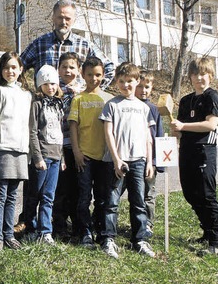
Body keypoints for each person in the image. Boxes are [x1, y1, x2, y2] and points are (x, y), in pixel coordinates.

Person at [99, 62, 156, 259]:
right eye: (121, 81)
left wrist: (149, 162)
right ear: (116, 82)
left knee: (138, 201)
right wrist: (116, 160)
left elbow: (148, 137)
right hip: (117, 161)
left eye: (130, 81)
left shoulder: (143, 108)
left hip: (139, 161)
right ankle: (108, 238)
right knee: (112, 201)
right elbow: (108, 134)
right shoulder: (112, 105)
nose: (125, 85)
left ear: (137, 81)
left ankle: (139, 239)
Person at [170, 57, 218, 257]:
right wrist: (176, 130)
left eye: (203, 74)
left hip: (204, 150)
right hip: (186, 150)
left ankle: (217, 238)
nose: (199, 78)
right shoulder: (185, 100)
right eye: (195, 74)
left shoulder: (212, 97)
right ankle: (207, 230)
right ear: (190, 77)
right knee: (189, 192)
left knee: (206, 193)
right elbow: (181, 130)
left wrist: (183, 126)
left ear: (210, 76)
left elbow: (210, 125)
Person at [0, 51, 32, 253]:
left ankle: (8, 234)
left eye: (14, 67)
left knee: (13, 196)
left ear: (21, 69)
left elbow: (27, 125)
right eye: (6, 67)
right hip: (1, 150)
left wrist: (28, 151)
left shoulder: (26, 95)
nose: (10, 71)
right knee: (0, 196)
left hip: (20, 151)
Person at [68, 57, 113, 249]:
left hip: (105, 157)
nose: (93, 78)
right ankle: (85, 232)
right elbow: (73, 127)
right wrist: (77, 152)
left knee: (103, 197)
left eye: (97, 75)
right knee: (84, 196)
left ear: (103, 76)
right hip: (84, 157)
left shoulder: (109, 99)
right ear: (82, 75)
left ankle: (102, 232)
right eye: (89, 74)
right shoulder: (78, 99)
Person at [20, 0, 114, 89]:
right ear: (53, 17)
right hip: (47, 102)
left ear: (74, 19)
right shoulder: (39, 44)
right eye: (60, 17)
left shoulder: (85, 45)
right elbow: (18, 66)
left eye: (67, 18)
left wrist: (96, 89)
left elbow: (109, 67)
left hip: (77, 102)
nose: (63, 22)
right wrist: (24, 91)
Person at [24, 65, 65, 245]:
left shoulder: (58, 105)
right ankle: (31, 227)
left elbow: (61, 132)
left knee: (49, 195)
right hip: (42, 157)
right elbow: (32, 132)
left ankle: (45, 231)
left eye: (53, 84)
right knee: (35, 194)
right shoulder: (37, 105)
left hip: (56, 157)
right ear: (40, 85)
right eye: (47, 84)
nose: (51, 87)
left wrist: (62, 157)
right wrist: (38, 157)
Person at [52, 52, 84, 239]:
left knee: (79, 188)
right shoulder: (55, 89)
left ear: (78, 70)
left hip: (80, 145)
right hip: (60, 144)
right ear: (58, 69)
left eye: (72, 67)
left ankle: (79, 224)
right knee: (61, 188)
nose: (68, 71)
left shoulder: (83, 90)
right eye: (64, 67)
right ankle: (60, 226)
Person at [133, 70, 164, 235]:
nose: (143, 90)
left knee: (148, 194)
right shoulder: (127, 105)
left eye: (147, 87)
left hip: (149, 160)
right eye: (139, 86)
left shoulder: (154, 109)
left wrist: (158, 163)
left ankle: (148, 223)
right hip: (130, 157)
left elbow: (159, 135)